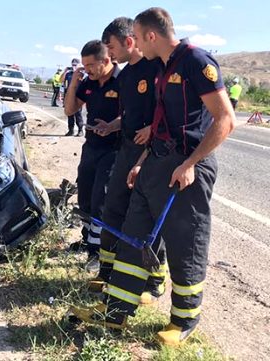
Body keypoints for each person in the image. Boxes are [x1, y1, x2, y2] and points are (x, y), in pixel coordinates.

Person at [71, 7, 235, 346]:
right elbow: (161, 122)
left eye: (138, 39)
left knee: (185, 242)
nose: (136, 51)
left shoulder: (194, 60)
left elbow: (225, 120)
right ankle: (115, 312)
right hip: (155, 163)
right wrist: (142, 160)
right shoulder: (163, 67)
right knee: (134, 236)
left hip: (187, 166)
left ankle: (184, 320)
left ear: (149, 35)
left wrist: (190, 163)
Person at [81, 17, 168, 305]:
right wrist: (113, 126)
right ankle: (108, 272)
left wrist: (151, 130)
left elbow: (166, 111)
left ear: (129, 42)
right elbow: (128, 117)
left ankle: (155, 280)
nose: (109, 53)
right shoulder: (126, 76)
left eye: (111, 47)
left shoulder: (157, 68)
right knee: (113, 209)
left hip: (153, 153)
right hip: (126, 150)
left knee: (149, 217)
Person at [64, 40, 121, 272]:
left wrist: (112, 126)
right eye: (84, 65)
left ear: (106, 60)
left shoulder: (123, 82)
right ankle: (88, 239)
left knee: (101, 200)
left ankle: (98, 252)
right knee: (85, 196)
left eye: (90, 65)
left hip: (114, 149)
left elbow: (134, 115)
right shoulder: (89, 83)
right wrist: (74, 83)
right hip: (92, 146)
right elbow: (70, 110)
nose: (86, 69)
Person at [61, 59, 85, 136]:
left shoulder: (81, 74)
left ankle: (80, 130)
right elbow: (61, 80)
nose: (73, 66)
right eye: (73, 65)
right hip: (68, 96)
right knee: (69, 114)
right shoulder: (68, 74)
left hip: (77, 96)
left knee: (78, 114)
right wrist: (65, 71)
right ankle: (71, 130)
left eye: (75, 65)